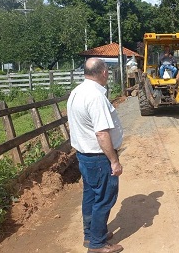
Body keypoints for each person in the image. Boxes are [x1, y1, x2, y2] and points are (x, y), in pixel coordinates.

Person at [67, 58, 124, 253]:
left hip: (84, 155)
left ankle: (90, 235)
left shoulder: (77, 92)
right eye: (107, 71)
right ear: (103, 73)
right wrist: (114, 161)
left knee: (90, 196)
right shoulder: (95, 97)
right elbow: (101, 133)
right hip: (99, 158)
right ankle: (97, 245)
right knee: (105, 198)